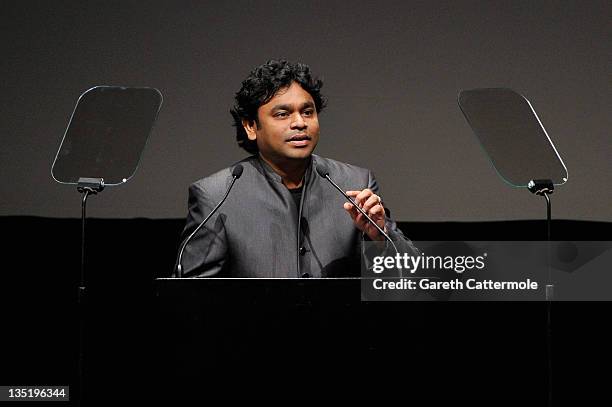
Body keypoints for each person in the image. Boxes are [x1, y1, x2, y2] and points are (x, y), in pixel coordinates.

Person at [176, 59, 418, 278]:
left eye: (308, 112)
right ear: (251, 126)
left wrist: (380, 237)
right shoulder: (216, 195)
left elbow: (415, 280)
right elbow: (190, 299)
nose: (300, 123)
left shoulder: (354, 183)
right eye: (282, 114)